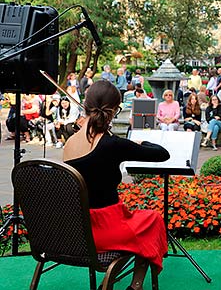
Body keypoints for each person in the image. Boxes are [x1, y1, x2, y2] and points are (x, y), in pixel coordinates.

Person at [63, 80, 169, 290]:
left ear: (86, 106)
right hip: (106, 229)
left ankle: (111, 282)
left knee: (141, 222)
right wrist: (140, 144)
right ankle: (135, 285)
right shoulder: (113, 144)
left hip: (78, 229)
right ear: (113, 111)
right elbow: (161, 154)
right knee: (153, 220)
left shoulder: (69, 143)